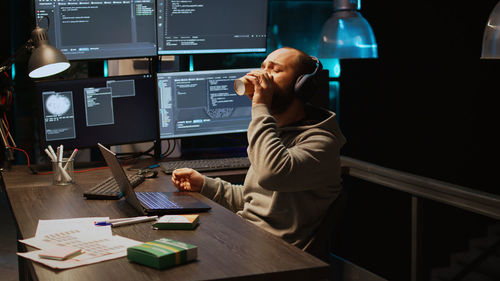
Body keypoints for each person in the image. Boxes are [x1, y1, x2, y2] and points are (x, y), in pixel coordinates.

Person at [171, 47, 346, 249]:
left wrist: (261, 105)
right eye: (263, 67)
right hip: (245, 236)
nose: (262, 75)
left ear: (301, 86)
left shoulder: (322, 143)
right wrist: (204, 184)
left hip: (275, 254)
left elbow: (271, 175)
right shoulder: (276, 133)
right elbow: (253, 199)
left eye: (274, 70)